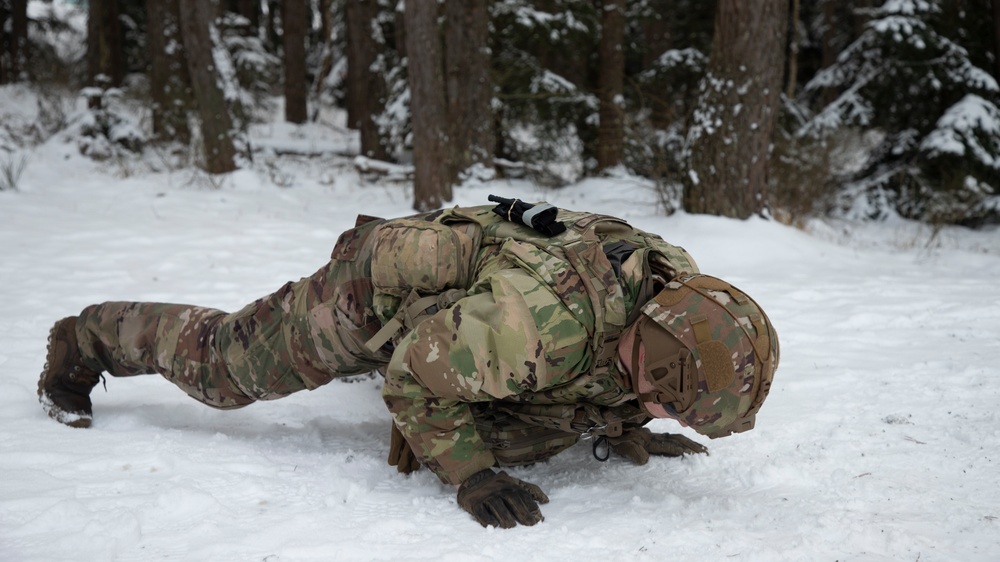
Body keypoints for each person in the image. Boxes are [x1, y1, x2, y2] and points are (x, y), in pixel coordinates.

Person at [37, 198, 780, 529]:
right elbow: (412, 382)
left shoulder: (675, 291)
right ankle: (86, 338)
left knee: (528, 401)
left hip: (475, 293)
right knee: (226, 369)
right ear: (649, 352)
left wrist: (630, 430)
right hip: (377, 286)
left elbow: (619, 376)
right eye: (666, 402)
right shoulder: (535, 332)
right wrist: (471, 474)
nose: (660, 410)